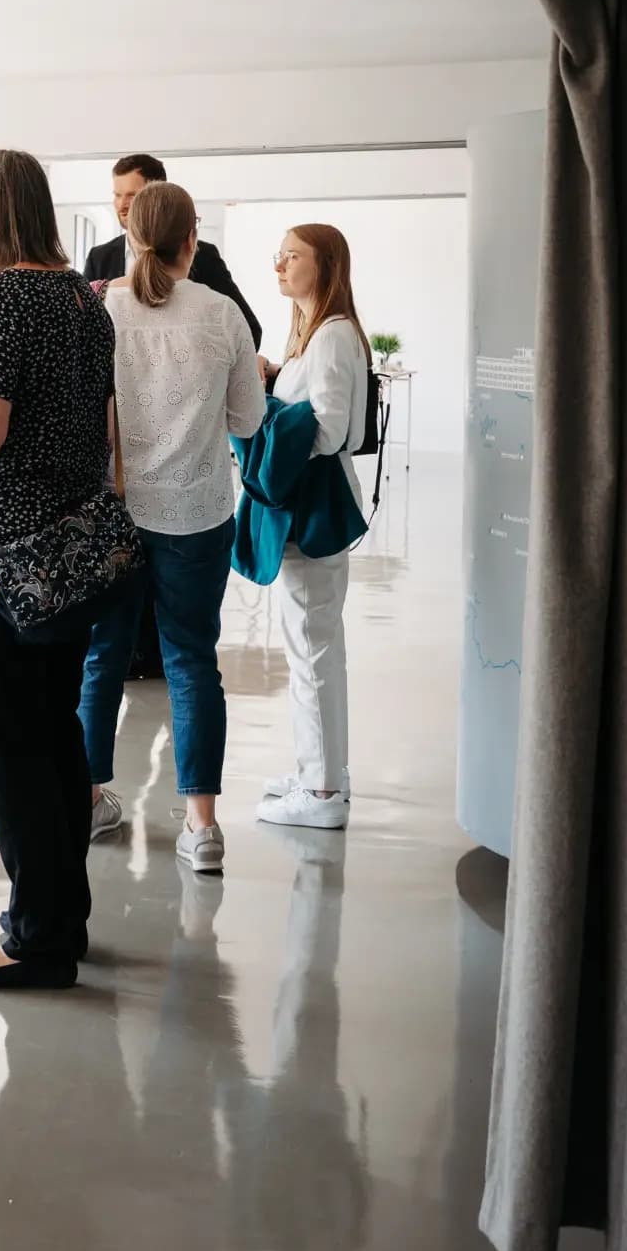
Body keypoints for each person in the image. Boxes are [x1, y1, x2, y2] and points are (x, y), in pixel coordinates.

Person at [0, 148, 115, 990]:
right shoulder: (82, 300)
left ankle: (33, 940)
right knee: (55, 738)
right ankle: (60, 919)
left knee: (11, 751)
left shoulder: (1, 301)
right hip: (67, 552)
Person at [78, 182, 266, 875]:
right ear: (193, 239)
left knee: (101, 658)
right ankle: (202, 825)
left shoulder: (101, 310)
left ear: (130, 235)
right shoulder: (221, 316)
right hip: (195, 515)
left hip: (116, 512)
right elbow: (247, 421)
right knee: (190, 661)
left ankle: (88, 797)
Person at [256, 224, 370, 830]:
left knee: (311, 648)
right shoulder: (320, 333)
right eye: (277, 256)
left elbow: (327, 429)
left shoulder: (328, 337)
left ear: (325, 265)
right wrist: (277, 378)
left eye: (291, 256)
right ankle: (320, 772)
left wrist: (262, 400)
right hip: (315, 506)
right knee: (317, 644)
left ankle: (322, 792)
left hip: (310, 508)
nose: (278, 266)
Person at [83, 152, 262, 347]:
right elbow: (85, 331)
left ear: (157, 196)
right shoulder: (99, 257)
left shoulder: (203, 256)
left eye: (132, 196)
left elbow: (248, 329)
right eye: (117, 195)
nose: (122, 206)